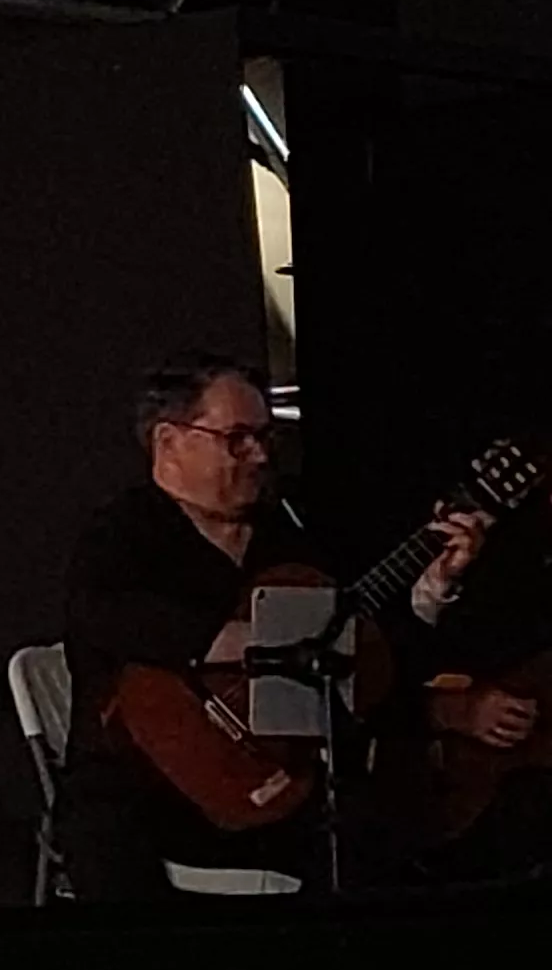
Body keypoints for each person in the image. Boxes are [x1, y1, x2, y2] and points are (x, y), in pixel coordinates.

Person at [55, 353, 494, 898]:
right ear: (169, 441)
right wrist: (254, 642)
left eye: (265, 437)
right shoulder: (120, 538)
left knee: (383, 839)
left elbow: (359, 649)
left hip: (283, 778)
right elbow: (111, 617)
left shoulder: (288, 533)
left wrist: (432, 587)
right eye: (237, 439)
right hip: (143, 788)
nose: (260, 455)